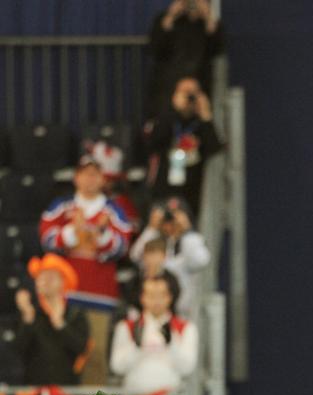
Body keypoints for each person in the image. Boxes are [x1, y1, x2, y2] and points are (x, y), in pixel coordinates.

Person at [39, 154, 132, 383]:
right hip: (64, 294)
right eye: (85, 174)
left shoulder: (114, 210)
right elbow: (46, 238)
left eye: (95, 174)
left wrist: (98, 236)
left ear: (103, 178)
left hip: (99, 295)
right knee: (59, 351)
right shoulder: (62, 206)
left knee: (95, 354)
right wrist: (72, 233)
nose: (90, 179)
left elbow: (122, 246)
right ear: (76, 177)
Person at [145, 76, 223, 217]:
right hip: (164, 188)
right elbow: (154, 141)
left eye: (193, 93)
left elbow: (214, 148)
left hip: (192, 191)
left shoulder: (201, 124)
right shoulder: (168, 119)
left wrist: (206, 116)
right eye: (184, 92)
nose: (189, 97)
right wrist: (174, 109)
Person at [109, 273, 198, 395]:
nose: (157, 301)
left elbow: (187, 368)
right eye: (151, 296)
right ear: (142, 298)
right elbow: (117, 367)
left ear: (170, 297)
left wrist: (172, 344)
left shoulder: (185, 328)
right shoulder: (126, 327)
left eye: (161, 295)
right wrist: (136, 347)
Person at [14, 254, 90, 385]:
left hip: (66, 390)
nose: (44, 281)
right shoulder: (31, 313)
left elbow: (82, 349)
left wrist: (61, 325)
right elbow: (18, 352)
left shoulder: (75, 314)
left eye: (50, 277)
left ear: (63, 281)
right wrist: (27, 319)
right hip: (34, 391)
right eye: (40, 277)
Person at [130, 196, 211, 318]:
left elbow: (201, 261)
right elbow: (136, 256)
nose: (171, 224)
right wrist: (151, 228)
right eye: (167, 220)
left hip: (183, 313)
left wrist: (187, 230)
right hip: (152, 311)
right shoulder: (155, 241)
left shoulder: (191, 241)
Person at [148, 0, 224, 118]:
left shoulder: (207, 23)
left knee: (202, 121)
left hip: (199, 85)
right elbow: (156, 49)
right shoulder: (166, 20)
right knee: (165, 119)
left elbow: (217, 49)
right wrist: (171, 16)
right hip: (169, 85)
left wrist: (208, 18)